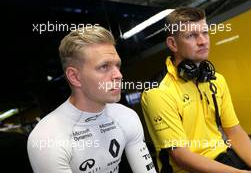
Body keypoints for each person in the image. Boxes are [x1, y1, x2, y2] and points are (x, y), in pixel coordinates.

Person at [141, 7, 251, 173]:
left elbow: (234, 131)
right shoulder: (158, 91)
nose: (203, 41)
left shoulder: (216, 79)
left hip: (223, 159)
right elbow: (181, 156)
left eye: (205, 33)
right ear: (173, 44)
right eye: (191, 36)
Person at [27, 26, 157, 173]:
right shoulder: (47, 137)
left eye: (117, 65)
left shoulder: (126, 116)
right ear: (75, 77)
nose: (118, 75)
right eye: (104, 67)